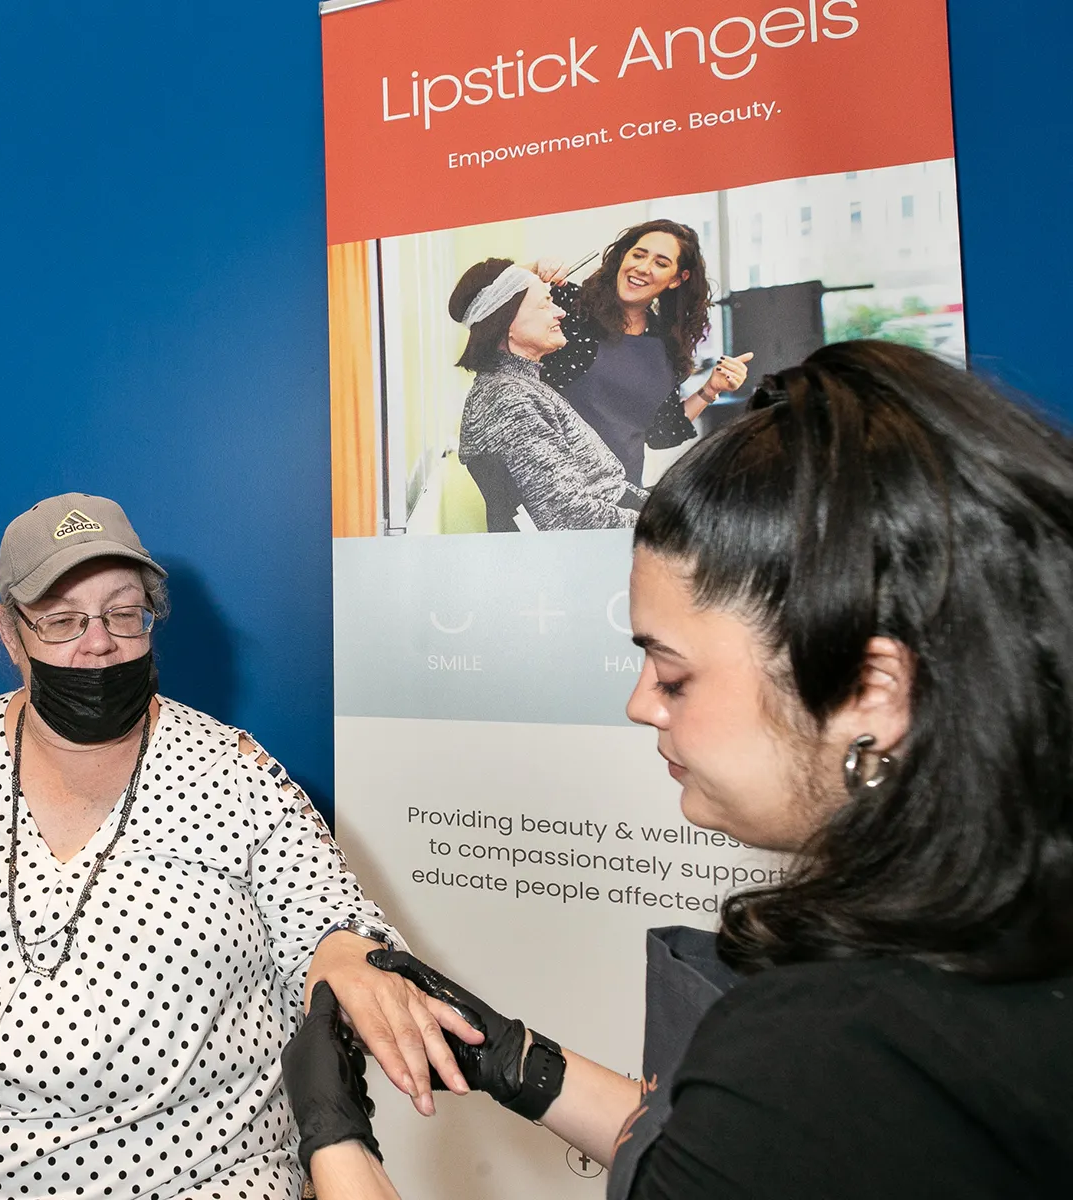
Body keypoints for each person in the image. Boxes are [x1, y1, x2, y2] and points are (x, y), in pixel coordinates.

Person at [281, 341, 1073, 1197]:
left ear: (871, 689)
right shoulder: (982, 967)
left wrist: (334, 1140)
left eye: (674, 673)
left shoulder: (827, 1050)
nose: (641, 705)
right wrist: (519, 1062)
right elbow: (730, 1156)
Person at [0, 493, 478, 1200]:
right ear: (10, 633)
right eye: (63, 620)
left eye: (124, 614)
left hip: (195, 1177)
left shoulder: (235, 773)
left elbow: (332, 925)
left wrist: (346, 955)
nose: (98, 643)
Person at [531, 221, 753, 484]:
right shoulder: (569, 305)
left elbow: (662, 432)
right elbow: (480, 304)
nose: (643, 268)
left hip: (618, 497)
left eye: (661, 263)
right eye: (638, 254)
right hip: (547, 485)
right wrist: (532, 272)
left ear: (677, 279)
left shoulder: (667, 344)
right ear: (624, 256)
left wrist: (710, 389)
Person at [452, 259, 645, 531]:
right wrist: (671, 527)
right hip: (605, 548)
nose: (560, 312)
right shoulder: (510, 401)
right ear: (506, 320)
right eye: (545, 304)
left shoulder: (522, 386)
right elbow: (569, 517)